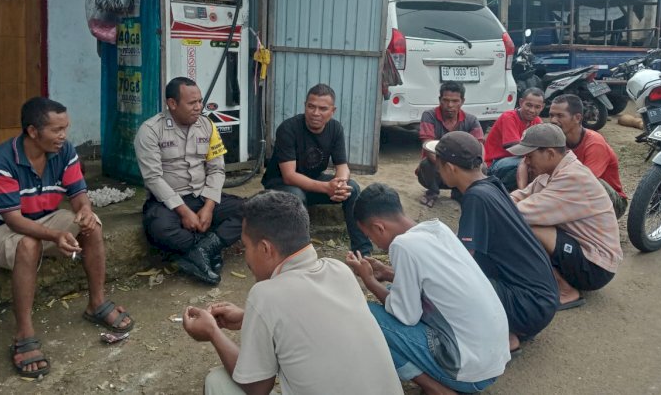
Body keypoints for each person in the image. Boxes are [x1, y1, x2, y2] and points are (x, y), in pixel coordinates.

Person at [181, 190, 403, 395]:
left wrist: (212, 332)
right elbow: (310, 319)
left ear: (266, 249)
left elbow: (258, 387)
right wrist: (248, 317)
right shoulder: (339, 270)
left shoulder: (265, 295)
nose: (246, 256)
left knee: (217, 381)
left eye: (246, 246)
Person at [0, 97, 133, 378]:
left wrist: (84, 209)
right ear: (33, 132)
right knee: (28, 244)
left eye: (66, 128)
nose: (63, 136)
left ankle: (97, 303)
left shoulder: (65, 151)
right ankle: (23, 334)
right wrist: (56, 234)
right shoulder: (1, 161)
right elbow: (14, 220)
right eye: (56, 130)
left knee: (93, 226)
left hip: (44, 217)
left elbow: (77, 193)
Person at [346, 183, 510, 395]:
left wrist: (369, 281)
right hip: (491, 362)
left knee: (365, 316)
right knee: (393, 297)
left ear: (379, 227)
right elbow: (435, 282)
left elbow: (406, 316)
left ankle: (438, 389)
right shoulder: (437, 229)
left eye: (370, 236)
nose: (373, 243)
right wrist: (387, 273)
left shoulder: (403, 246)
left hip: (467, 371)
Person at [427, 132, 558, 353]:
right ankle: (507, 327)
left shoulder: (476, 198)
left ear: (450, 168)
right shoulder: (491, 184)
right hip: (541, 301)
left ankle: (502, 336)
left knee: (447, 285)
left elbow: (462, 262)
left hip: (528, 308)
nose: (437, 170)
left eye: (438, 165)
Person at [134, 77, 243, 285]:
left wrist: (209, 206)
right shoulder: (149, 131)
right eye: (192, 103)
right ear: (172, 104)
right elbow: (153, 178)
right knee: (159, 228)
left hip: (202, 196)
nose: (199, 107)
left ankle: (204, 249)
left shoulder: (207, 125)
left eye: (200, 101)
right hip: (168, 203)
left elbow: (217, 169)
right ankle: (205, 247)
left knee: (255, 210)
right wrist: (183, 211)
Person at [508, 123, 623, 310]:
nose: (526, 161)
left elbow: (519, 213)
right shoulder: (553, 171)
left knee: (525, 226)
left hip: (595, 267)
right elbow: (520, 196)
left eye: (530, 155)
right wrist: (500, 202)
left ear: (551, 154)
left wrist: (493, 206)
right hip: (581, 252)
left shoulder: (572, 178)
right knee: (519, 225)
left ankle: (565, 291)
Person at [261, 83, 371, 255]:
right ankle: (299, 254)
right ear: (305, 105)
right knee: (296, 195)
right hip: (280, 183)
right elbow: (289, 176)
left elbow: (342, 166)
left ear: (332, 111)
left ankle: (363, 252)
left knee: (352, 188)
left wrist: (340, 184)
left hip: (312, 182)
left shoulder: (335, 129)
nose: (316, 113)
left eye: (323, 108)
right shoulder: (288, 128)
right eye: (311, 106)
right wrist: (326, 187)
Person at [549, 94, 628, 218]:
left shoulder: (594, 142)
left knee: (591, 182)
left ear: (577, 118)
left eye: (560, 116)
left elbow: (584, 183)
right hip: (574, 193)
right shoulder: (556, 139)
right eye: (551, 115)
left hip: (611, 202)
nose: (553, 120)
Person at [416, 81, 485, 207]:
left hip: (460, 171)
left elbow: (479, 146)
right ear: (439, 100)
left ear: (462, 101)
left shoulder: (471, 120)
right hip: (437, 169)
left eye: (455, 101)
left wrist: (476, 166)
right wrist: (447, 166)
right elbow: (427, 145)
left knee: (482, 167)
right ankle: (433, 191)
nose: (450, 105)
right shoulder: (429, 115)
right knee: (426, 163)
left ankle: (460, 192)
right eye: (445, 100)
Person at [485, 88, 545, 191]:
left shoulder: (537, 121)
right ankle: (521, 192)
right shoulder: (508, 117)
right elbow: (515, 148)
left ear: (542, 107)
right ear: (521, 102)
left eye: (537, 107)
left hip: (518, 161)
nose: (532, 110)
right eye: (529, 105)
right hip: (495, 163)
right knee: (533, 162)